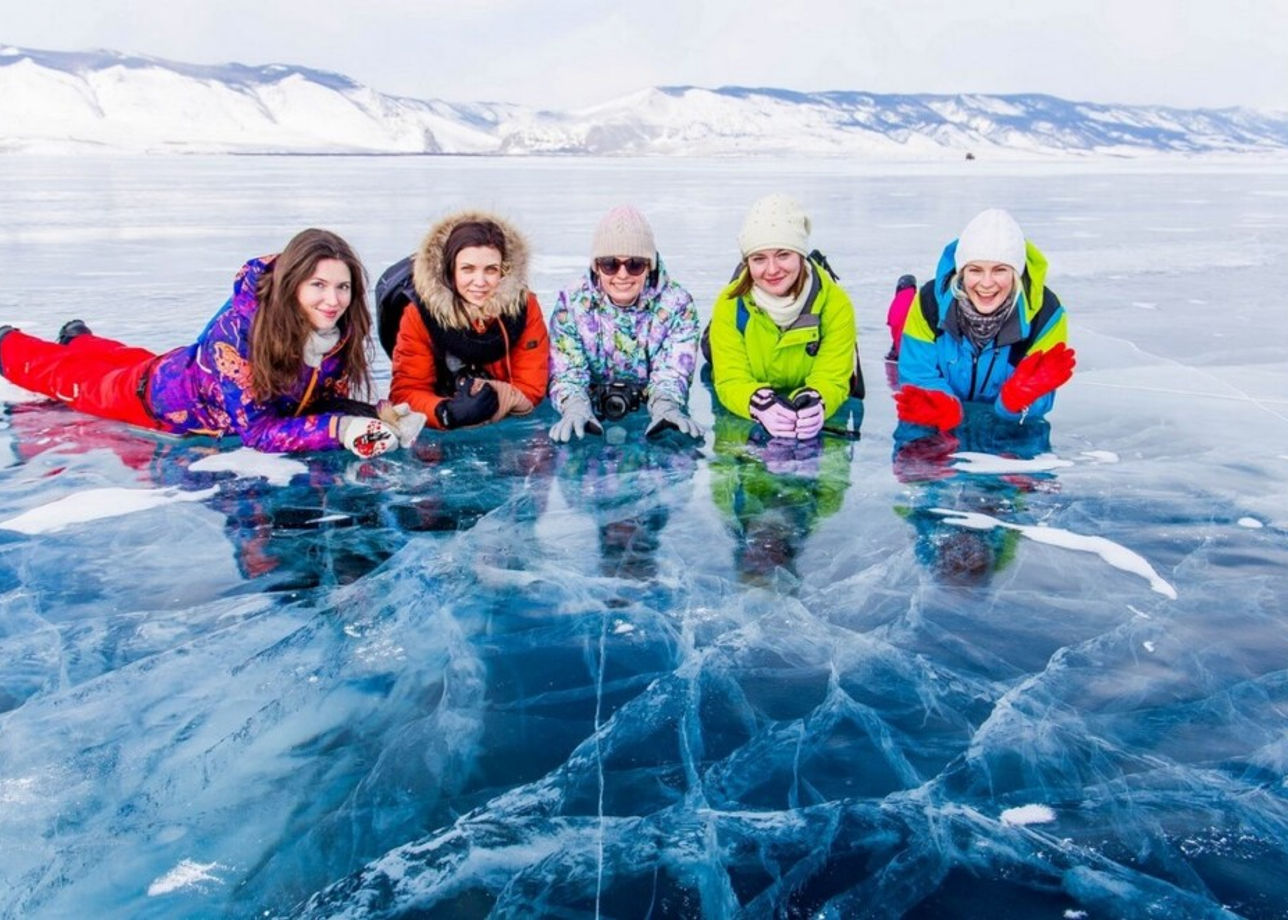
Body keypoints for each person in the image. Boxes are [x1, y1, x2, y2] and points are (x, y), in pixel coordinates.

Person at [0, 228, 423, 457]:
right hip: (156, 399)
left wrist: (375, 414)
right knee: (69, 379)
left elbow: (319, 396)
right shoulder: (240, 338)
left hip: (182, 368)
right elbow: (258, 432)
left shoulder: (333, 331)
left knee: (119, 359)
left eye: (343, 287)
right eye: (318, 285)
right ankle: (9, 344)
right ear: (291, 284)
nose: (333, 300)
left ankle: (80, 339)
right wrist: (341, 428)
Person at [894, 208, 1075, 430]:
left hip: (1013, 430)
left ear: (1016, 273)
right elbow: (918, 373)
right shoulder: (928, 303)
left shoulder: (1046, 316)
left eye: (999, 270)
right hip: (941, 426)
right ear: (961, 272)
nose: (987, 283)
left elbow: (1042, 390)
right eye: (976, 270)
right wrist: (943, 405)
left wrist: (1015, 402)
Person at [705, 194, 859, 441]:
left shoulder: (836, 304)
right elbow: (731, 379)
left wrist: (819, 399)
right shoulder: (729, 304)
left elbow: (832, 376)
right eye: (759, 259)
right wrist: (756, 404)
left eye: (783, 254)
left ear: (800, 254)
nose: (772, 269)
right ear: (747, 263)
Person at [547, 205, 702, 442]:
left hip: (650, 411)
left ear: (649, 266)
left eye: (635, 264)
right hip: (591, 411)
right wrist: (574, 405)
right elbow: (567, 371)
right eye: (610, 264)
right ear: (596, 267)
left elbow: (673, 370)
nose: (622, 274)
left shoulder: (678, 305)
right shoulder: (571, 302)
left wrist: (665, 405)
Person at [384, 211, 549, 431]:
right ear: (450, 271)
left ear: (504, 271)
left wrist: (496, 397)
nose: (479, 282)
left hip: (503, 414)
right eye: (467, 269)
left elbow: (532, 385)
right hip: (443, 406)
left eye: (491, 270)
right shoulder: (418, 315)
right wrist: (446, 413)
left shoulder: (525, 307)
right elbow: (406, 391)